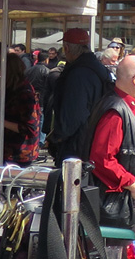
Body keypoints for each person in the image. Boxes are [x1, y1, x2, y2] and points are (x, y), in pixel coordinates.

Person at [86, 56, 135, 248]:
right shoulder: (116, 110)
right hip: (125, 199)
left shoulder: (129, 105)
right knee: (120, 257)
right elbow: (102, 159)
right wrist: (133, 184)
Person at [48, 28, 111, 163]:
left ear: (66, 48)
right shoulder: (97, 68)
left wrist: (58, 137)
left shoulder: (78, 74)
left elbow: (73, 115)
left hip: (76, 146)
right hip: (91, 139)